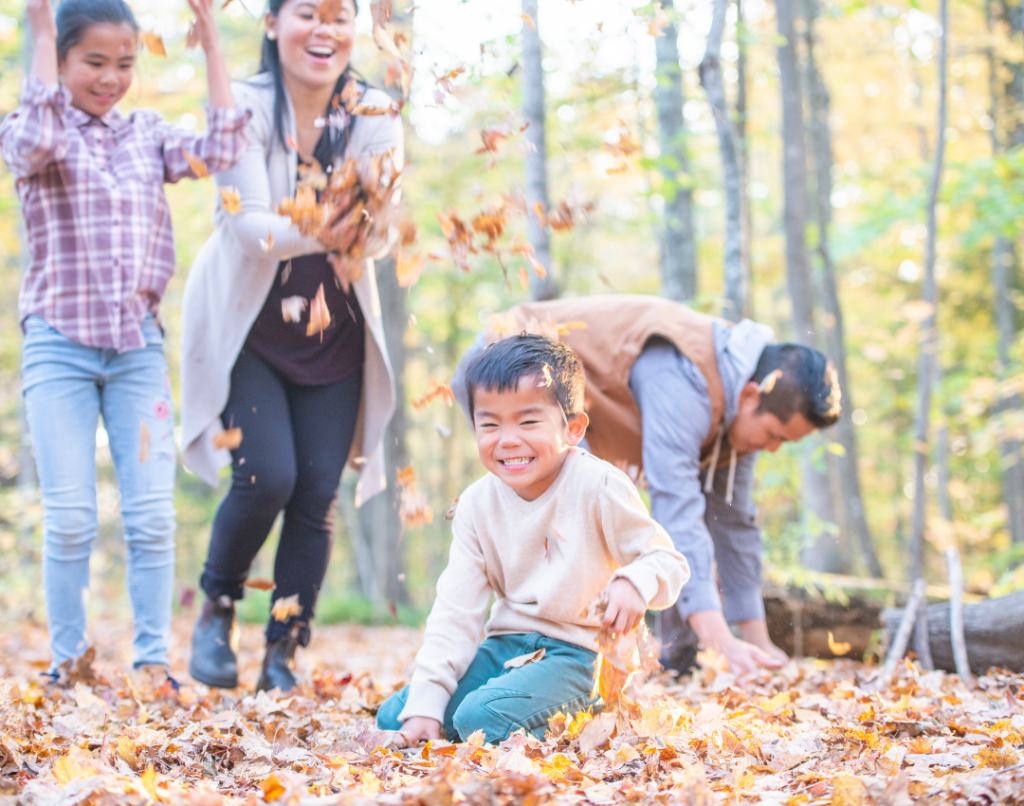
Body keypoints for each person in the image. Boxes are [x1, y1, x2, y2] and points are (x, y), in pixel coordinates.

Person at [0, 0, 247, 679]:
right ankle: (67, 662)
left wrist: (213, 48)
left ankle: (149, 664)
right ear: (63, 61)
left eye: (125, 64)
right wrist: (42, 32)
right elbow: (31, 143)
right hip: (59, 347)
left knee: (152, 518)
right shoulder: (36, 129)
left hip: (137, 349)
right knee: (73, 515)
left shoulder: (148, 132)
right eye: (94, 62)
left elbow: (222, 148)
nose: (111, 78)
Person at [180, 0, 400, 693]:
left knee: (315, 494)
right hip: (250, 330)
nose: (325, 29)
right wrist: (336, 227)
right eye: (308, 12)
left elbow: (383, 226)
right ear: (274, 23)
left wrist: (356, 228)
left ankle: (284, 649)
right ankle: (218, 606)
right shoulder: (238, 105)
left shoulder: (376, 111)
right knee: (266, 475)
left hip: (335, 332)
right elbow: (250, 231)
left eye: (340, 16)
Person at [452, 295, 842, 675]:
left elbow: (735, 525)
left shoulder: (739, 417)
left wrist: (757, 643)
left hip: (567, 405)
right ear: (751, 395)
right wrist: (719, 640)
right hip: (504, 367)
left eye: (783, 443)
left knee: (650, 518)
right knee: (581, 502)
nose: (772, 449)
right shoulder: (683, 379)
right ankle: (559, 659)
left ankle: (675, 657)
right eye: (774, 435)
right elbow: (676, 508)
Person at [377, 335, 688, 744]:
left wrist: (636, 581)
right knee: (398, 715)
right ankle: (491, 712)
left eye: (527, 422)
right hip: (505, 648)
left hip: (576, 653)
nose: (507, 439)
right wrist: (426, 706)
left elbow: (667, 560)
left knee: (479, 718)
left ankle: (590, 707)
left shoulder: (599, 486)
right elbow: (456, 611)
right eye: (489, 423)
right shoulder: (476, 504)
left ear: (572, 428)